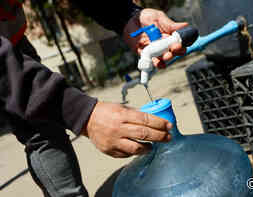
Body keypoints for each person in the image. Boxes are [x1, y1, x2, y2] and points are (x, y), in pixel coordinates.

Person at [0, 0, 187, 196]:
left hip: (13, 37)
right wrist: (83, 114)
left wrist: (126, 15)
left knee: (44, 124)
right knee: (40, 123)